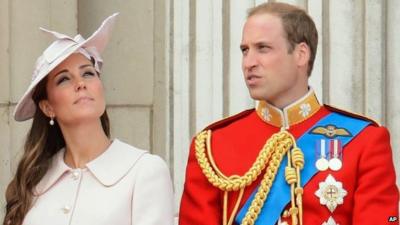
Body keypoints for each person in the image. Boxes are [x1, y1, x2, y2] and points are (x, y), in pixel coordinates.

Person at [179, 2, 399, 225]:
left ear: (301, 54)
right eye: (245, 50)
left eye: (263, 48)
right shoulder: (212, 146)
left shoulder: (364, 141)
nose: (249, 63)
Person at [3, 13, 174, 225]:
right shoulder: (34, 183)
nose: (80, 83)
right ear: (48, 107)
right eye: (64, 79)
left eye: (88, 73)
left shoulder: (145, 171)